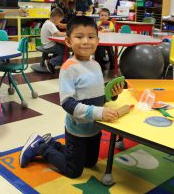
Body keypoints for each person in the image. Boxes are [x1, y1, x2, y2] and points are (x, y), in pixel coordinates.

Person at [19, 16, 124, 179]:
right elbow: (67, 103)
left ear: (98, 40)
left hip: (94, 129)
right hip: (77, 130)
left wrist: (112, 95)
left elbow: (97, 95)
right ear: (68, 41)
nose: (85, 42)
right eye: (79, 37)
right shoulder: (69, 68)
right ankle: (41, 148)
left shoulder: (95, 65)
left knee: (90, 163)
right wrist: (99, 112)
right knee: (73, 171)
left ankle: (51, 143)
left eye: (91, 37)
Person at [45, 0, 78, 72]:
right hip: (58, 31)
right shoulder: (57, 3)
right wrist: (67, 26)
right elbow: (55, 21)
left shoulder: (72, 4)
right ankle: (55, 61)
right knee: (68, 47)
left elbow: (73, 18)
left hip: (68, 30)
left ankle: (73, 63)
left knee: (75, 44)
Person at [41, 8, 67, 73]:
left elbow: (56, 34)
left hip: (46, 44)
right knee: (65, 53)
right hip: (49, 45)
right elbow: (58, 34)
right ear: (56, 17)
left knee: (63, 48)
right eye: (60, 20)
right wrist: (68, 34)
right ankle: (50, 62)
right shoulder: (50, 25)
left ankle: (52, 59)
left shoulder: (47, 22)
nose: (59, 22)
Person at [95, 8, 115, 72]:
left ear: (108, 17)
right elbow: (95, 29)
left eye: (105, 15)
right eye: (102, 15)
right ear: (99, 16)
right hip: (100, 41)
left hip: (108, 41)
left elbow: (112, 29)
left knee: (111, 52)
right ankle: (101, 65)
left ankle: (113, 64)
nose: (103, 17)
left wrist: (106, 30)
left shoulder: (110, 23)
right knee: (99, 53)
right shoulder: (98, 23)